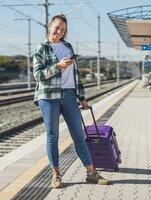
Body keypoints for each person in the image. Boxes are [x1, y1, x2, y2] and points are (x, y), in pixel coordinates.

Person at [32, 14, 109, 188]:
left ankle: (91, 173)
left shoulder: (68, 47)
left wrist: (81, 97)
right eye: (57, 27)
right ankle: (56, 175)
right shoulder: (41, 48)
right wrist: (57, 66)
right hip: (48, 96)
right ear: (50, 26)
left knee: (79, 136)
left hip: (68, 95)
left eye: (63, 29)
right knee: (53, 136)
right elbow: (37, 75)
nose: (59, 31)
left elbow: (75, 75)